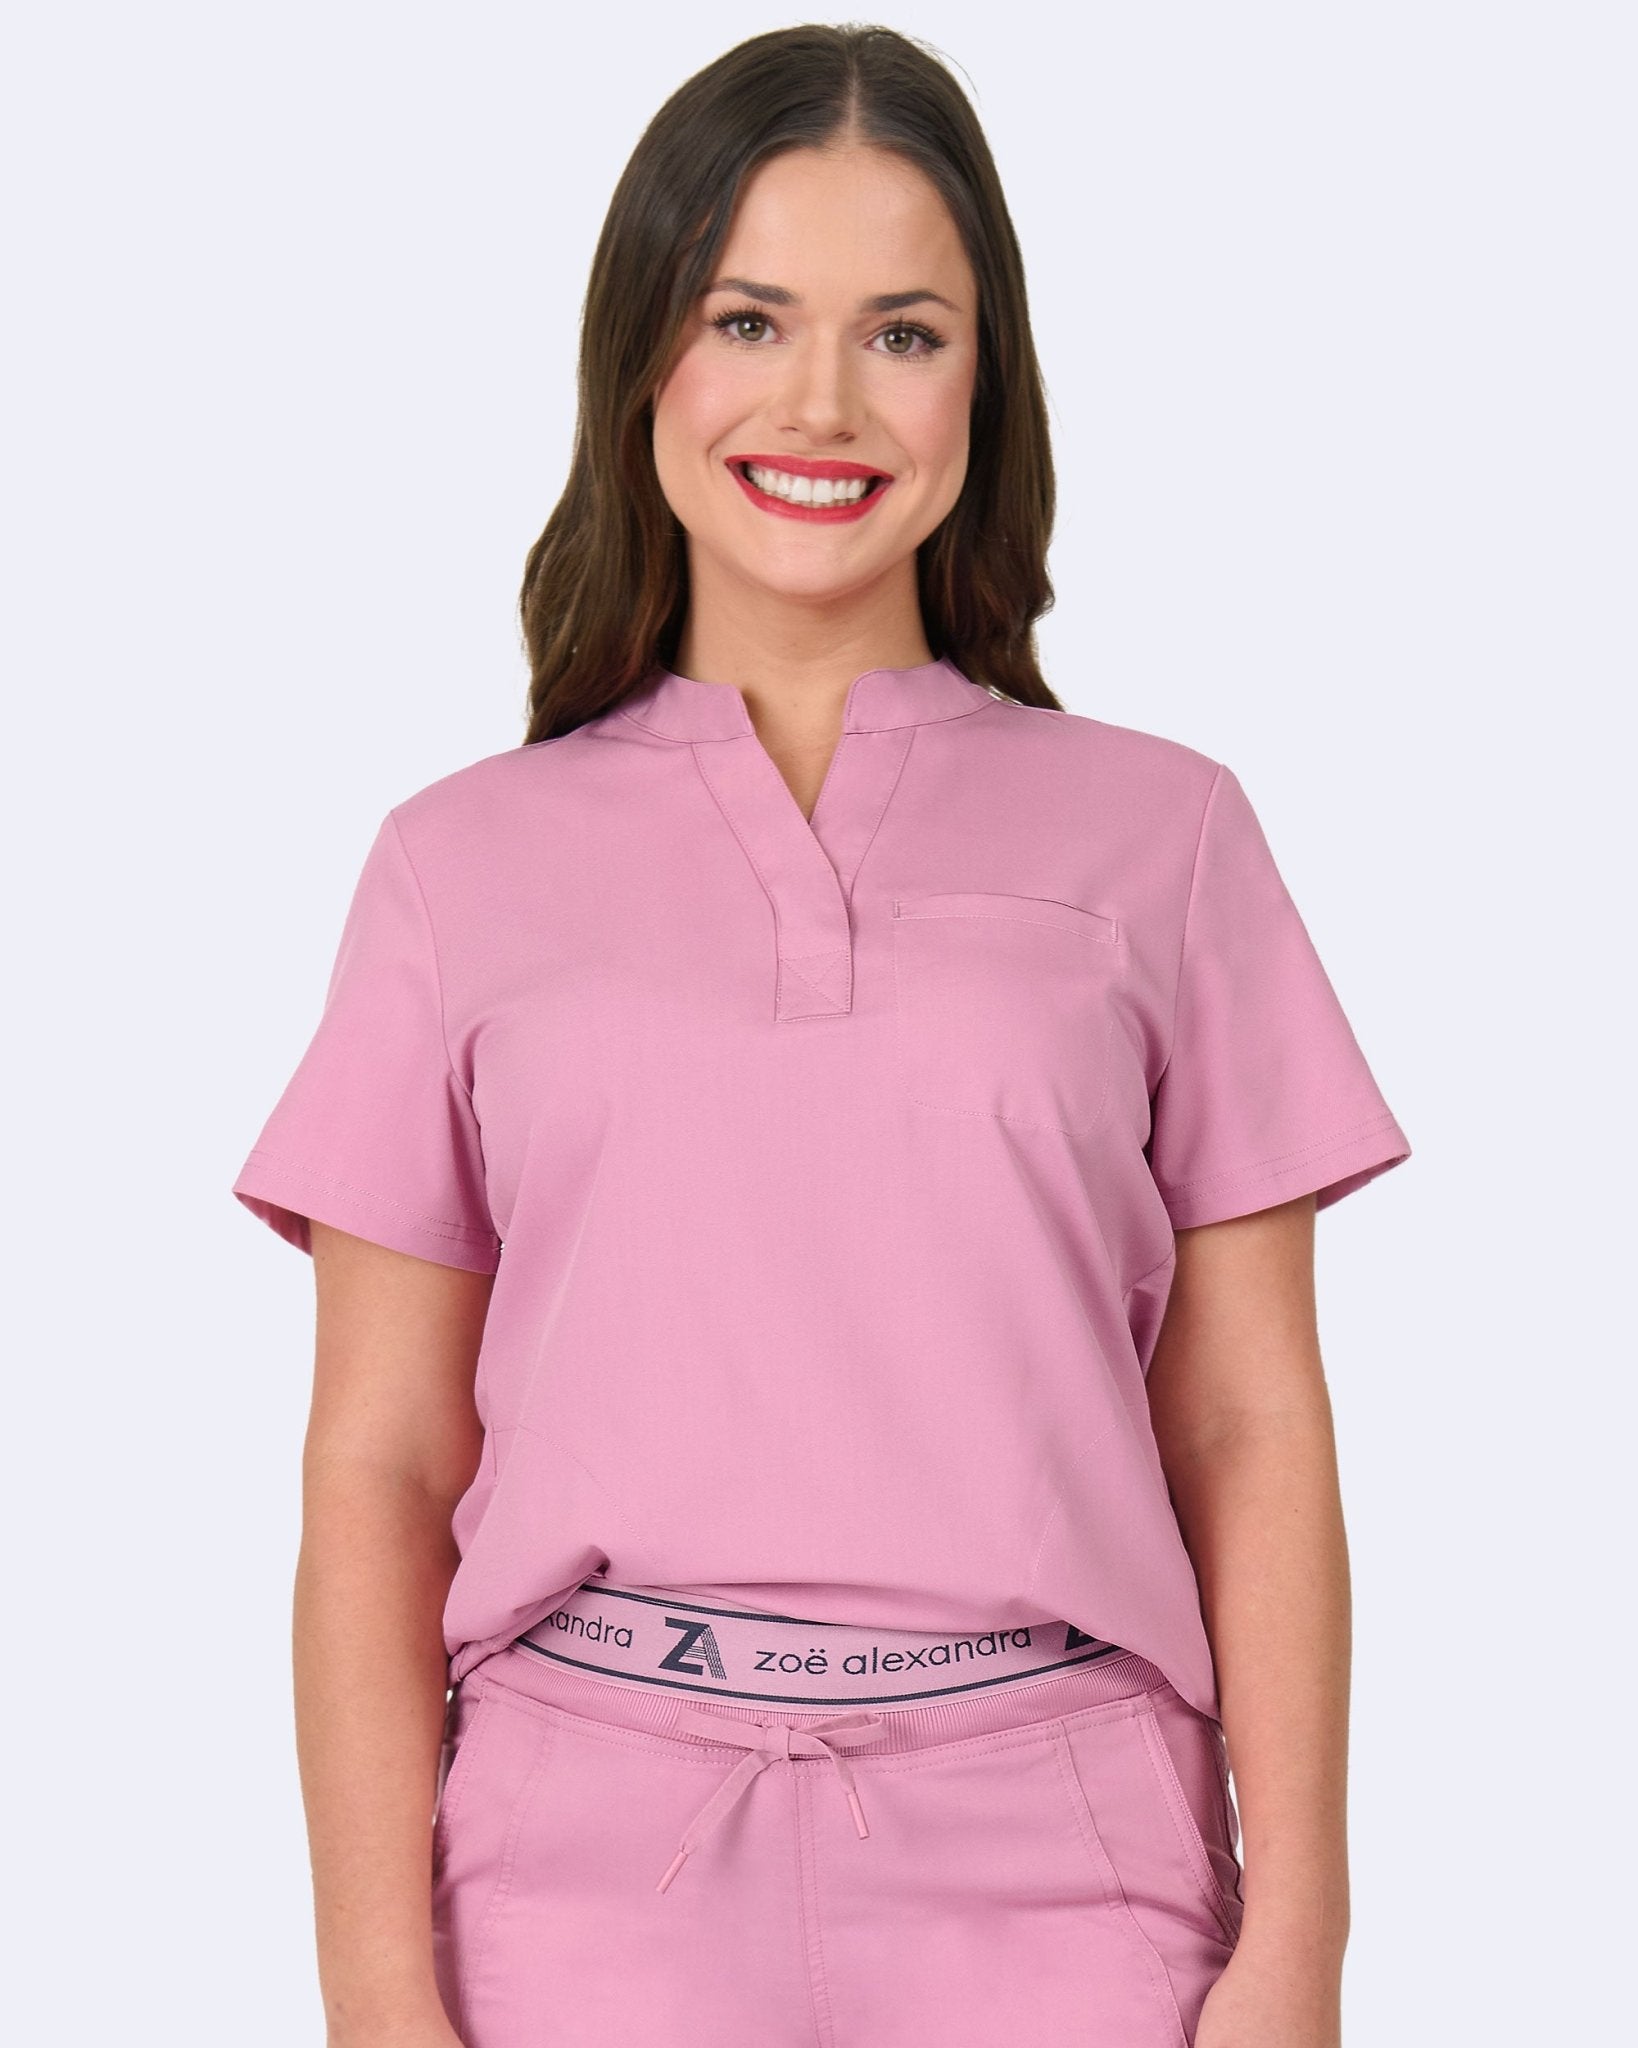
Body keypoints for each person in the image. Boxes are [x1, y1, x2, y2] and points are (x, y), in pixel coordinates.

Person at [231, 23, 1411, 2048]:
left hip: (1069, 1870)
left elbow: (1247, 1427)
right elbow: (381, 1466)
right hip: (575, 1877)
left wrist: (1295, 1942)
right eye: (749, 318)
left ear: (985, 382)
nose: (821, 403)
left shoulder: (1169, 837)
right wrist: (374, 1988)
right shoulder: (452, 868)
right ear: (642, 361)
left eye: (904, 334)